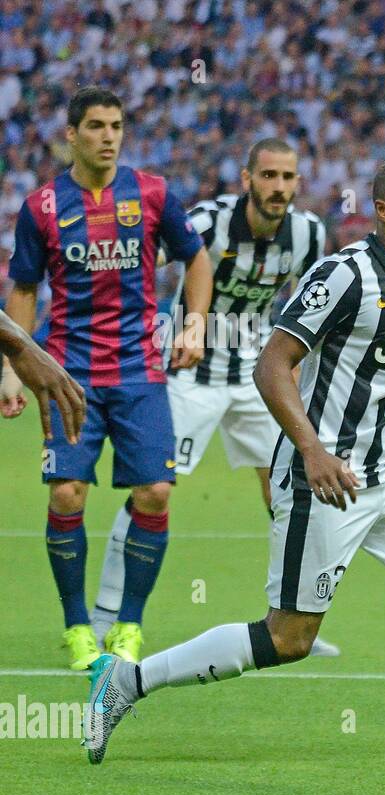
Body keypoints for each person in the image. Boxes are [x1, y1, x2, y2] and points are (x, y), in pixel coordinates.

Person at [83, 158, 385, 766]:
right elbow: (272, 364)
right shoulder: (344, 273)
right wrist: (312, 450)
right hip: (321, 480)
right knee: (289, 637)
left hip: (383, 474)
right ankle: (126, 680)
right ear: (383, 210)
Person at [89, 137, 340, 657]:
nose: (278, 187)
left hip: (257, 377)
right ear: (246, 180)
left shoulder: (309, 233)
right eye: (268, 176)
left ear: (298, 182)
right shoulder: (208, 221)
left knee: (289, 492)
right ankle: (105, 616)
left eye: (287, 177)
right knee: (153, 490)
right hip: (190, 374)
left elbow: (312, 303)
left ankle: (291, 622)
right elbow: (141, 264)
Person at [2, 86, 212, 670]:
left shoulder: (152, 193)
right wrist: (12, 368)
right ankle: (76, 627)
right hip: (68, 373)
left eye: (116, 126)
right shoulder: (43, 206)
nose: (109, 136)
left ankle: (129, 625)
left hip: (139, 370)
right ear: (71, 135)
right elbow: (24, 289)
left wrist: (195, 323)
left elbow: (195, 257)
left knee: (156, 492)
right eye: (96, 126)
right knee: (67, 492)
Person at [0, 307, 86, 443]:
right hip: (67, 372)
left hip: (125, 376)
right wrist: (12, 366)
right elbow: (24, 294)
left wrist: (18, 354)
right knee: (61, 453)